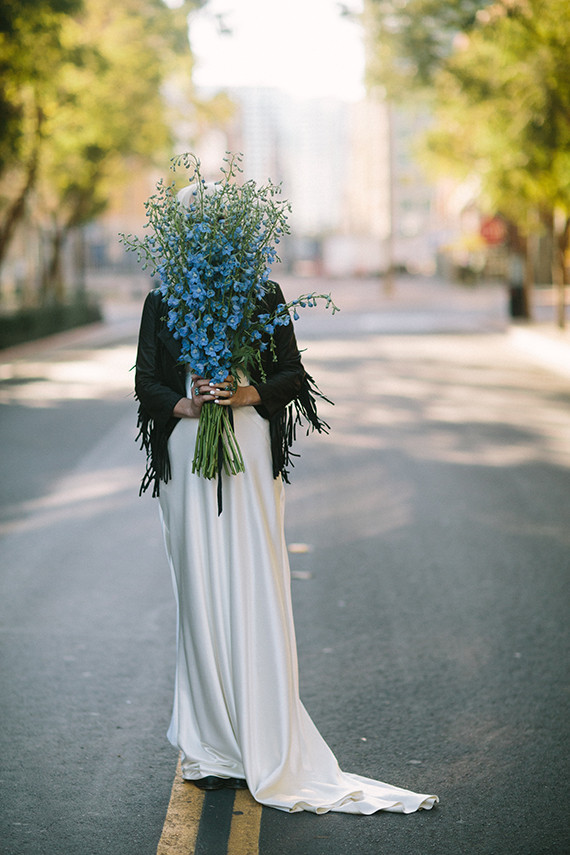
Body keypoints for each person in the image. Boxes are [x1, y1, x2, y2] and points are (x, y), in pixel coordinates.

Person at [133, 187, 438, 815]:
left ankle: (259, 733)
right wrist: (184, 404)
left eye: (222, 231)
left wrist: (248, 395)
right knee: (199, 590)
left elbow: (293, 376)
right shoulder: (162, 302)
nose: (211, 241)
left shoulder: (262, 296)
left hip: (249, 460)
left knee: (251, 584)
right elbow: (146, 380)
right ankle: (210, 745)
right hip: (188, 461)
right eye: (200, 230)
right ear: (183, 239)